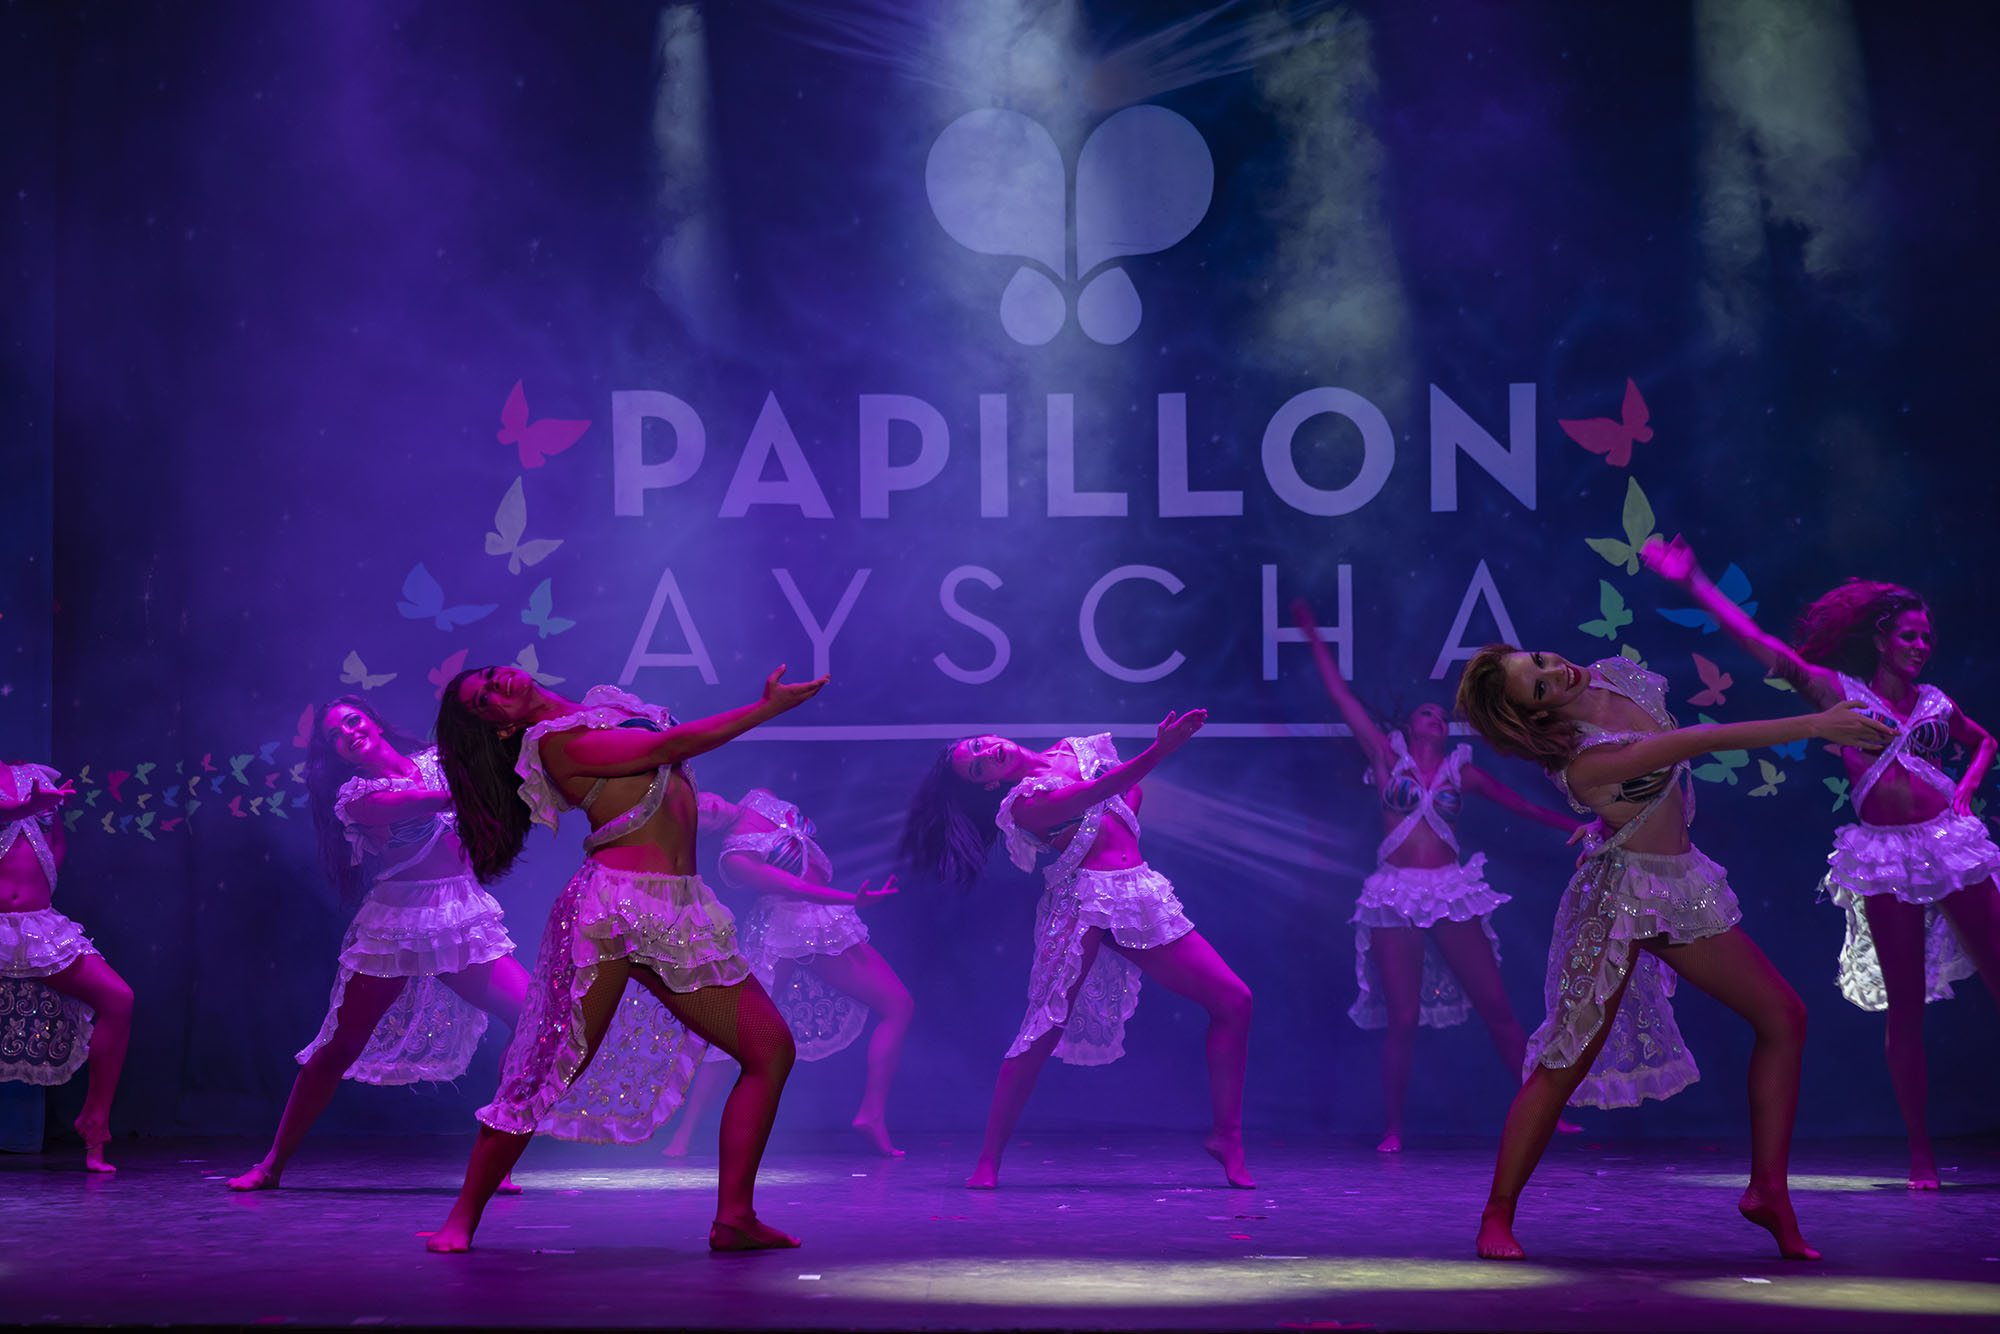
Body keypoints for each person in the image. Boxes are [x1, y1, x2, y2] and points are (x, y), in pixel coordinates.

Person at [1456, 643, 1891, 1261]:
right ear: (1536, 716)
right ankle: (1496, 1214)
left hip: (1678, 886)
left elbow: (1656, 782)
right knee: (1565, 1059)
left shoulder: (1615, 676)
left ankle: (1768, 1192)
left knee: (1784, 1016)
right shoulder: (1582, 764)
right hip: (1616, 902)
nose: (1558, 673)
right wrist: (1817, 725)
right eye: (1541, 688)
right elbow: (1697, 742)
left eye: (1542, 661)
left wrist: (1610, 821)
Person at [425, 664, 823, 1253]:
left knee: (770, 1049)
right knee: (546, 1067)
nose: (495, 687)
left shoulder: (605, 705)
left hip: (682, 908)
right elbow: (667, 747)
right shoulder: (553, 744)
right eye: (483, 701)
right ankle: (461, 1217)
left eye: (488, 677)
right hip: (610, 912)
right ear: (501, 728)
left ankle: (735, 1218)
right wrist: (764, 709)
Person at [1645, 536, 2000, 1189]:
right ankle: (1920, 1151)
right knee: (1906, 1009)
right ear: (1881, 640)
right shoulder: (1841, 693)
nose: (1922, 646)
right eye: (1910, 636)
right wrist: (1695, 582)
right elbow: (1765, 648)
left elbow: (1985, 742)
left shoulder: (1935, 702)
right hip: (1887, 857)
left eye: (1928, 637)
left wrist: (1968, 789)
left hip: (1949, 844)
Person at [901, 711, 1256, 1190]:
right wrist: (1160, 750)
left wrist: (1123, 804)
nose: (988, 754)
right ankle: (988, 1161)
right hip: (1081, 901)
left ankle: (1227, 1137)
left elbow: (1128, 794)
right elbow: (1099, 791)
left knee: (1234, 1001)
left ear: (991, 734)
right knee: (1042, 1029)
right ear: (989, 785)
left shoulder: (1076, 748)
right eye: (978, 767)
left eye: (980, 746)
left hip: (1137, 891)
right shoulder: (1023, 804)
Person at [1294, 601, 1582, 1153]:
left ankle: (1549, 1115)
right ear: (1408, 726)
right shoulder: (1386, 759)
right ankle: (1393, 1129)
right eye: (1427, 712)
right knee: (1402, 1019)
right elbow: (1342, 698)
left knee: (1497, 1008)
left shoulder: (1461, 772)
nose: (1436, 718)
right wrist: (1311, 634)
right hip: (1395, 892)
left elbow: (1524, 807)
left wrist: (1580, 825)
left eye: (1442, 716)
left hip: (1451, 891)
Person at [227, 697, 531, 1192]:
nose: (348, 733)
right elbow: (431, 801)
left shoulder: (437, 760)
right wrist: (478, 782)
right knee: (340, 1046)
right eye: (335, 735)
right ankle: (272, 1165)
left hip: (458, 912)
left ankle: (499, 1159)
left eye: (352, 721)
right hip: (399, 923)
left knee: (532, 1016)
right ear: (337, 753)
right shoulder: (357, 796)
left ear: (373, 722)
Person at [662, 788, 909, 1157]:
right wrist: (853, 900)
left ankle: (871, 1115)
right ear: (705, 832)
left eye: (701, 800)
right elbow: (797, 887)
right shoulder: (735, 858)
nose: (707, 807)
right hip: (781, 930)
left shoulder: (759, 797)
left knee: (899, 1004)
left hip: (822, 921)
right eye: (702, 817)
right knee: (739, 1031)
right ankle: (683, 1135)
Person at [0, 762, 133, 1172]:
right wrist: (30, 807)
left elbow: (51, 849)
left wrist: (45, 815)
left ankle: (95, 1124)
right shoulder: (30, 791)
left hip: (39, 926)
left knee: (118, 998)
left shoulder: (31, 775)